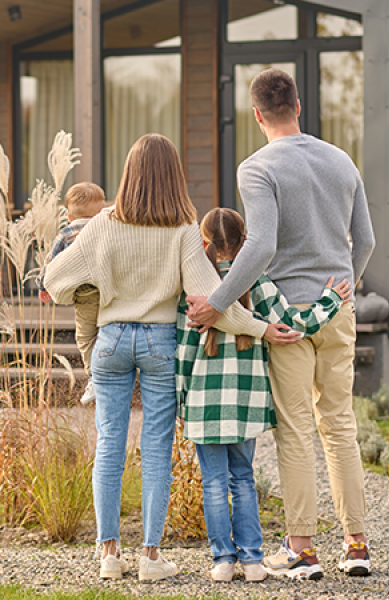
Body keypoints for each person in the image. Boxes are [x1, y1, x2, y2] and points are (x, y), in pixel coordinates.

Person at [44, 134, 299, 582]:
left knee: (109, 445)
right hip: (161, 343)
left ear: (128, 174)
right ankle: (150, 557)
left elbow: (54, 279)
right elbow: (212, 303)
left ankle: (108, 554)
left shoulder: (102, 224)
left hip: (110, 340)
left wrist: (93, 290)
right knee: (157, 449)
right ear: (174, 176)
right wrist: (261, 328)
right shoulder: (183, 230)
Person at [186, 69, 376, 580]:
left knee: (295, 432)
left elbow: (262, 244)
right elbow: (368, 240)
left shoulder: (257, 167)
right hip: (337, 309)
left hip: (286, 318)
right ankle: (356, 545)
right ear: (298, 104)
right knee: (339, 426)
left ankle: (303, 551)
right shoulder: (341, 160)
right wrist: (343, 293)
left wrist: (217, 302)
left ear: (255, 115)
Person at [177, 207, 350, 583]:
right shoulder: (257, 281)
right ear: (246, 244)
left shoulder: (194, 286)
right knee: (243, 479)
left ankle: (224, 561)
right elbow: (293, 325)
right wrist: (330, 300)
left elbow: (183, 350)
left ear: (203, 243)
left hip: (204, 405)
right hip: (247, 402)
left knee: (213, 483)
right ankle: (254, 561)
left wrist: (182, 400)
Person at [37, 182, 106, 405]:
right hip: (109, 294)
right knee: (106, 333)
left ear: (69, 216)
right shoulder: (106, 229)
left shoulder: (66, 234)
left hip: (84, 297)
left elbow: (50, 262)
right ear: (100, 211)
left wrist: (42, 285)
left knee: (86, 337)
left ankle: (94, 376)